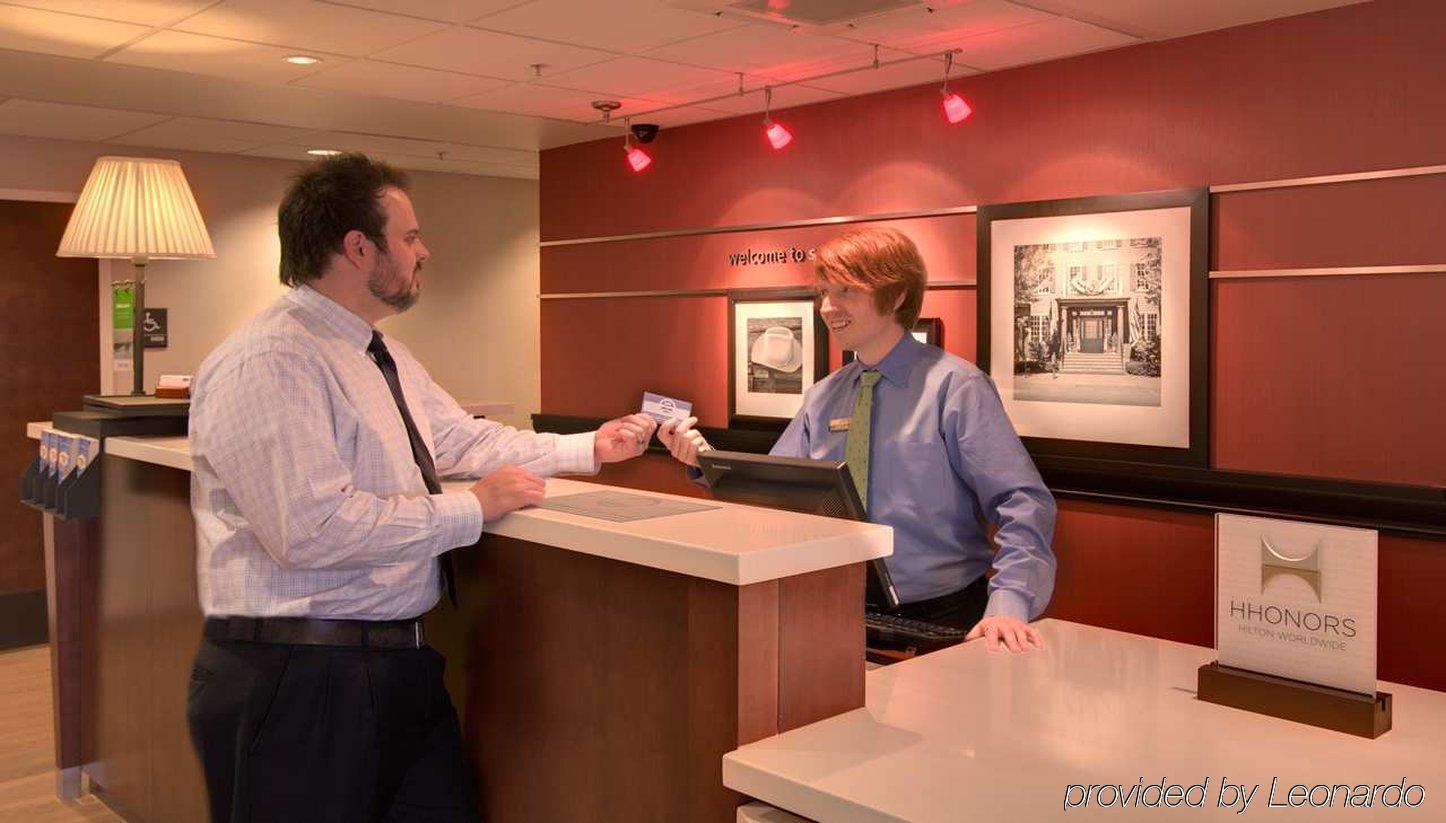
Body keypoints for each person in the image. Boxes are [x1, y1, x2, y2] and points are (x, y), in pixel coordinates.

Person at [186, 153, 656, 822]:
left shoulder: (382, 354)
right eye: (409, 237)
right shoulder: (274, 358)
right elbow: (310, 528)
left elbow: (460, 441)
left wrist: (587, 446)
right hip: (297, 678)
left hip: (395, 667)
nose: (424, 251)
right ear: (357, 247)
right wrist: (471, 507)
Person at [660, 228, 1056, 653]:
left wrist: (1010, 602)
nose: (828, 308)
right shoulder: (824, 395)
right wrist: (705, 461)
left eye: (845, 291)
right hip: (836, 606)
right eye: (823, 292)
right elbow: (777, 492)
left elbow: (1023, 502)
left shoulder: (956, 388)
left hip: (944, 618)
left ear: (897, 294)